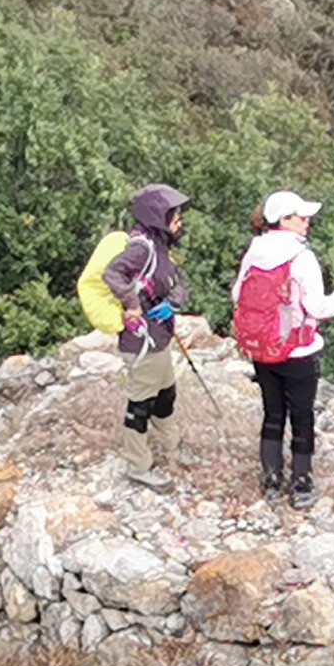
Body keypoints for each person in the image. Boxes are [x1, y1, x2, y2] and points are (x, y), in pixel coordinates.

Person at [228, 190, 334, 507]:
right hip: (298, 351)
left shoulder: (254, 250)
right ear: (284, 221)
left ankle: (271, 478)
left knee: (273, 413)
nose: (307, 221)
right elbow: (318, 308)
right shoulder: (301, 257)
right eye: (301, 216)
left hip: (262, 348)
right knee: (302, 416)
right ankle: (301, 483)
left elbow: (238, 295)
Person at [95, 183, 192, 489]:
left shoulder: (160, 247)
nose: (180, 223)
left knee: (166, 395)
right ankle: (138, 466)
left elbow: (177, 282)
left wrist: (173, 302)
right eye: (175, 217)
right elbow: (112, 274)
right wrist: (133, 304)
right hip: (143, 343)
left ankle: (171, 445)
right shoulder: (142, 248)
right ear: (158, 218)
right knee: (140, 407)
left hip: (159, 338)